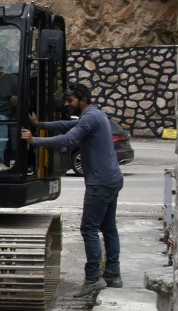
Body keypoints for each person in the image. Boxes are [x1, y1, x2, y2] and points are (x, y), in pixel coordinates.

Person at [22, 82, 122, 297]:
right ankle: (113, 274)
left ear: (83, 100)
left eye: (70, 100)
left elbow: (68, 138)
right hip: (112, 179)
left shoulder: (90, 117)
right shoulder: (95, 114)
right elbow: (65, 124)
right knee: (108, 227)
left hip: (100, 182)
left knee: (88, 228)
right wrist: (39, 124)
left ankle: (93, 278)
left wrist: (34, 140)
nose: (66, 104)